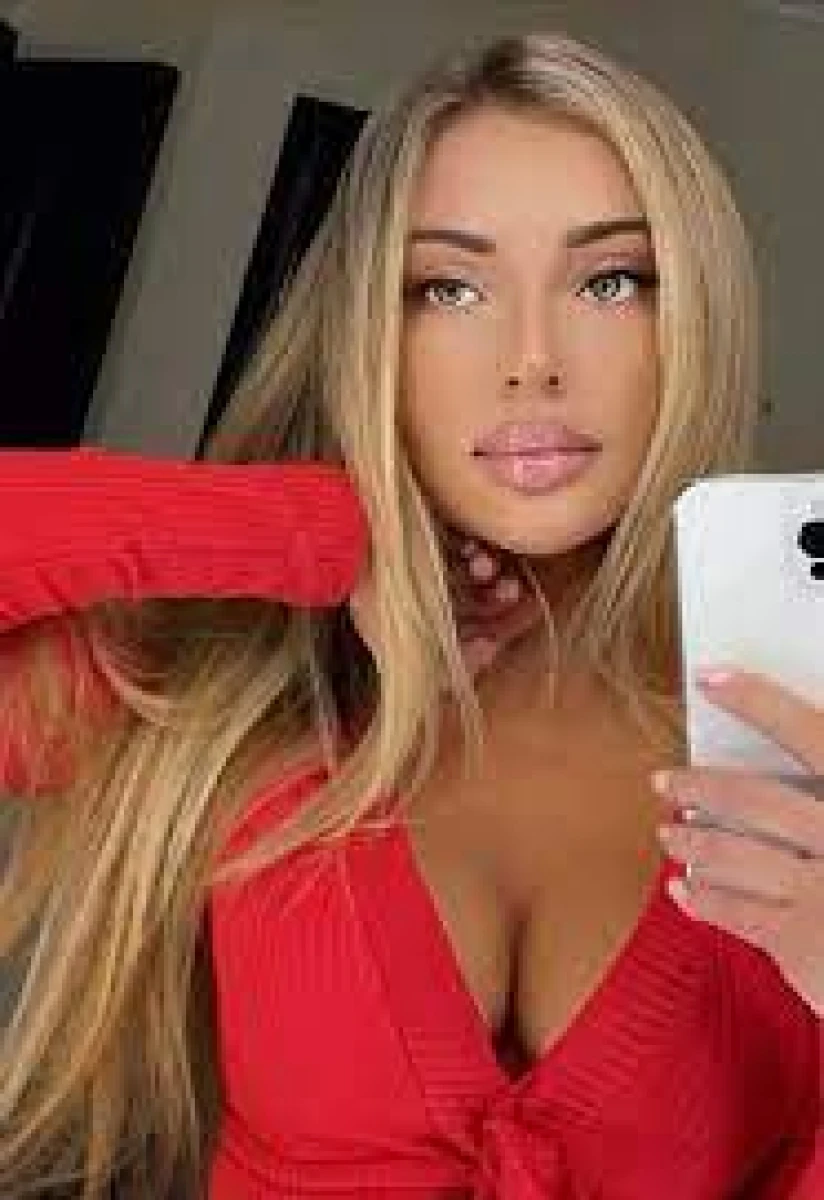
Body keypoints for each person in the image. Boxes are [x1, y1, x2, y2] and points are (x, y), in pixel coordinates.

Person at [1, 29, 822, 1199]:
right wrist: (318, 533)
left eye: (608, 281)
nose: (529, 361)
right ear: (369, 335)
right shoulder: (232, 688)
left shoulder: (794, 747)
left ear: (691, 318)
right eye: (448, 287)